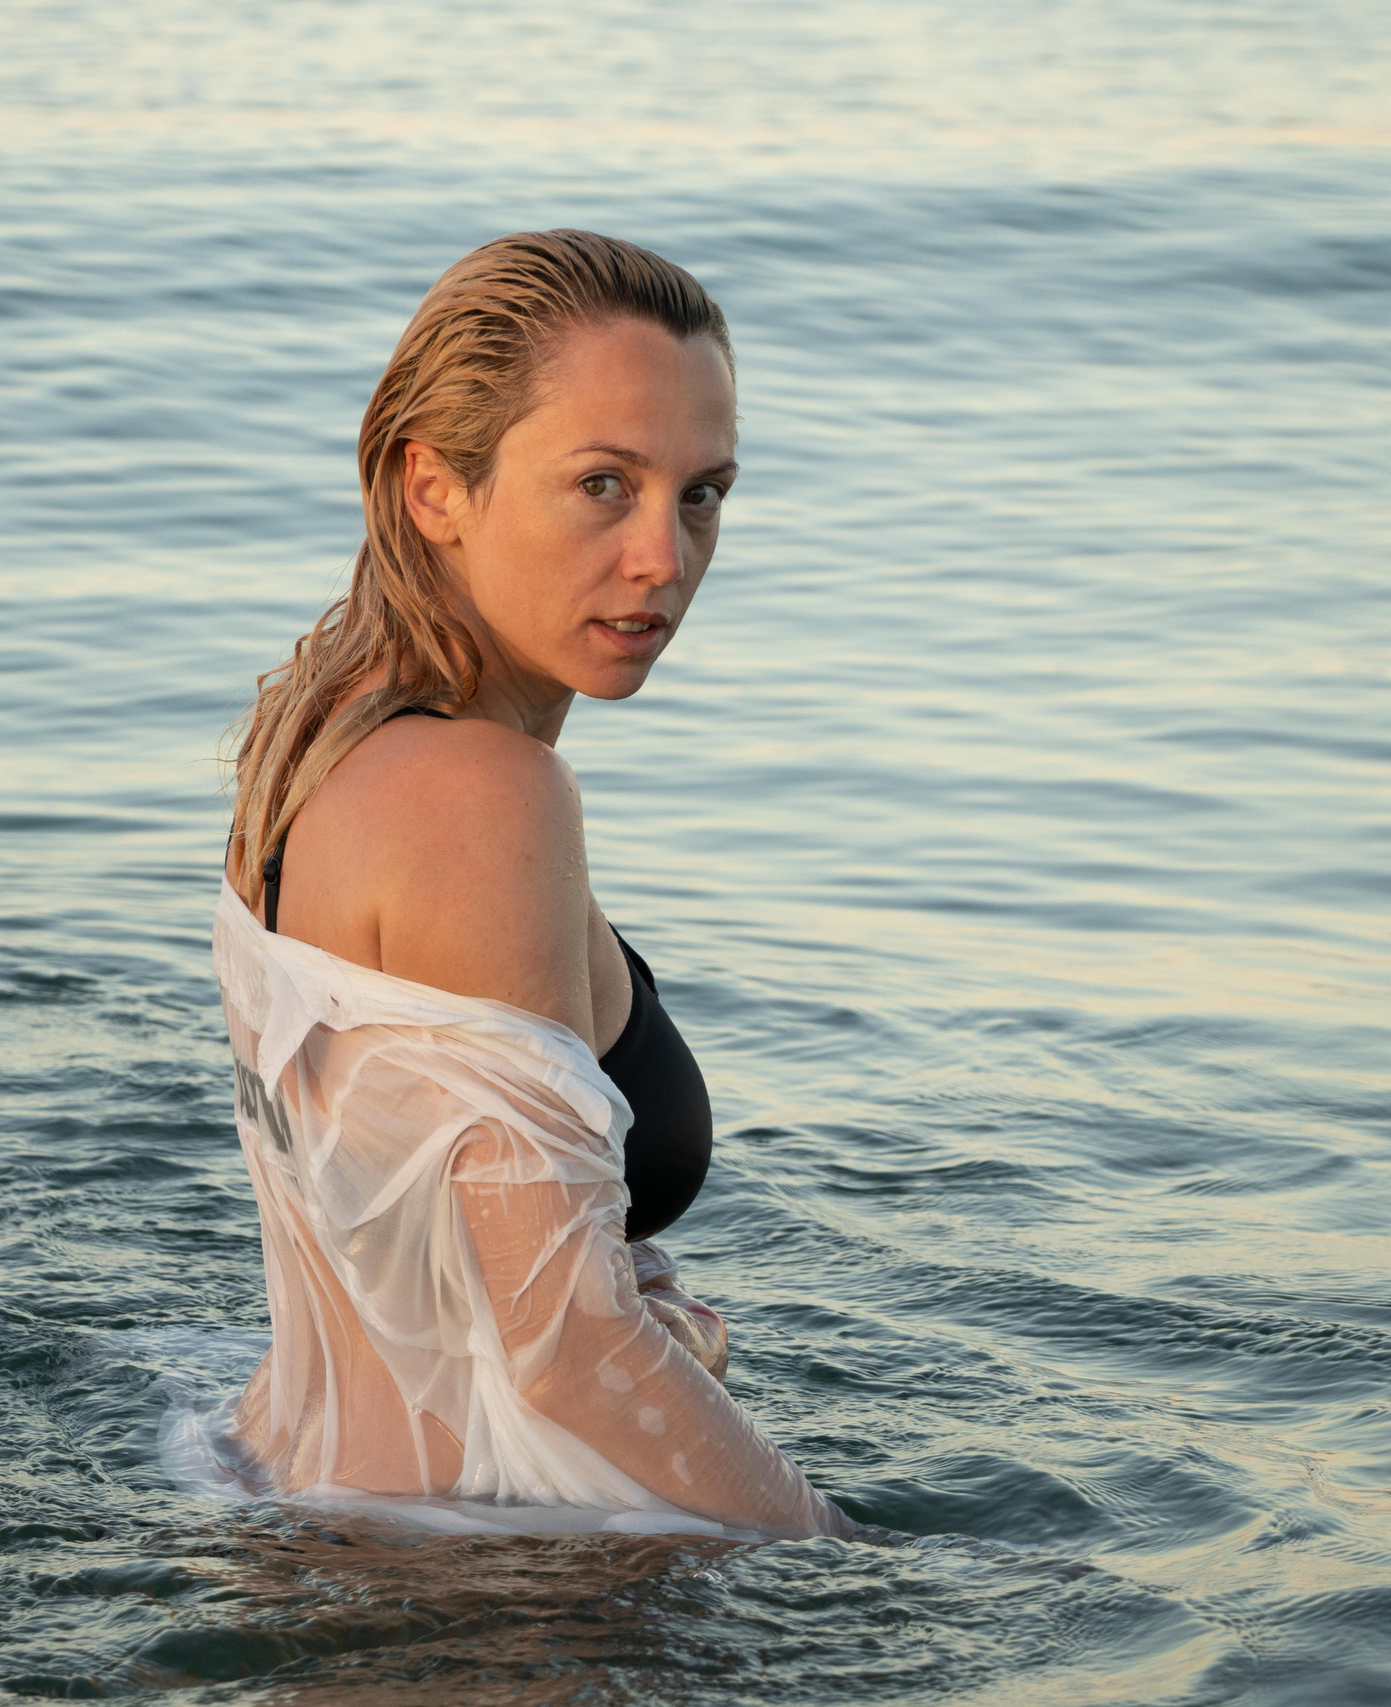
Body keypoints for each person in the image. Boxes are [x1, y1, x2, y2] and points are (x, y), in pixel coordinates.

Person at [214, 230, 854, 1540]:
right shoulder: (487, 794)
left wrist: (624, 1278)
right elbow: (566, 1350)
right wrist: (861, 1575)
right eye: (602, 485)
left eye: (702, 494)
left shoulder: (314, 724)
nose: (664, 557)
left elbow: (417, 1212)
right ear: (436, 486)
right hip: (480, 1577)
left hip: (278, 1482)